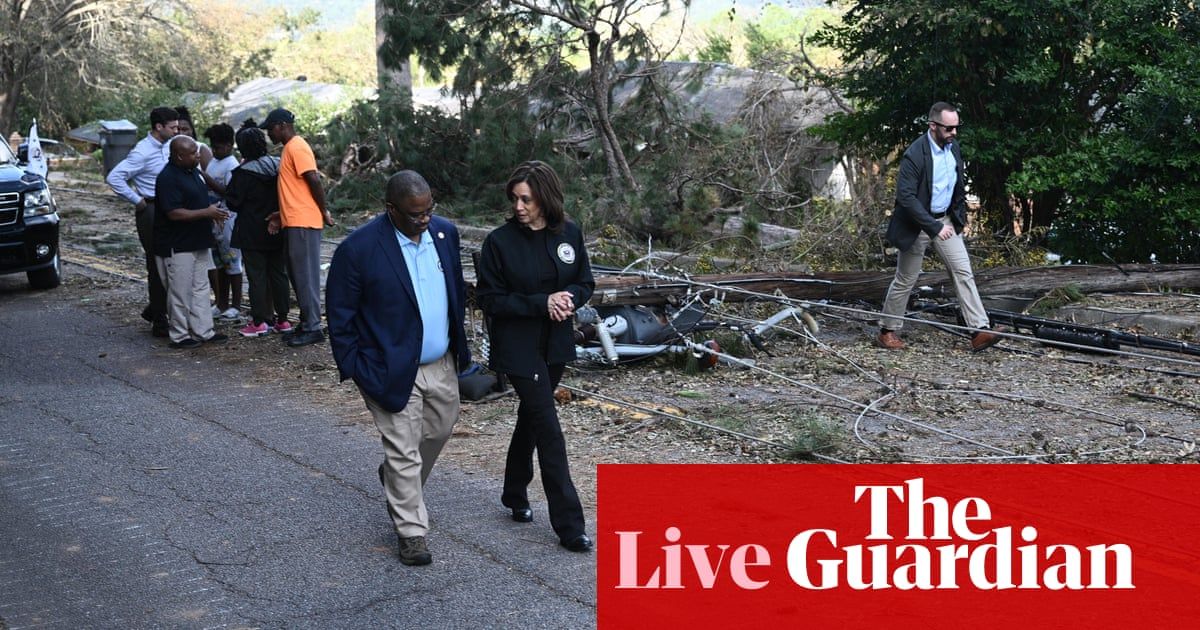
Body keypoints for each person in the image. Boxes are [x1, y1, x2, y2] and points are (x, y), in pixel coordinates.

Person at [326, 170, 470, 566]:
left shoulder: (445, 234)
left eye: (428, 211)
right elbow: (340, 316)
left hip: (440, 362)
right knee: (403, 449)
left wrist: (460, 349)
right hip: (387, 366)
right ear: (391, 209)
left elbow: (455, 290)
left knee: (439, 430)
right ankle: (412, 532)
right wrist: (355, 366)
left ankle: (394, 480)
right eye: (414, 214)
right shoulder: (359, 249)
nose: (424, 220)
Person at [475, 160, 595, 553]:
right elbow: (491, 300)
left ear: (545, 198)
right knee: (548, 428)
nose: (519, 206)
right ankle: (570, 524)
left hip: (556, 343)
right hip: (518, 346)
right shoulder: (500, 243)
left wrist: (568, 298)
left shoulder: (569, 234)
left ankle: (513, 493)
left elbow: (584, 282)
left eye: (526, 198)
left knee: (531, 417)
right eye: (515, 199)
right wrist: (541, 302)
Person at [878, 102, 1000, 352]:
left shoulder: (952, 147)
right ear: (933, 126)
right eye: (948, 128)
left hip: (945, 221)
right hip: (917, 223)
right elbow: (906, 197)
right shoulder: (915, 153)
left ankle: (978, 330)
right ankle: (887, 331)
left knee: (963, 271)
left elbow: (957, 186)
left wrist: (958, 219)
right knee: (906, 278)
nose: (954, 133)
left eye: (956, 127)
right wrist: (933, 226)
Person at [260, 108, 334, 347]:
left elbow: (313, 178)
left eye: (270, 128)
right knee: (297, 274)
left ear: (281, 125)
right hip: (294, 220)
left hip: (303, 222)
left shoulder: (297, 146)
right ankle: (306, 322)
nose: (269, 133)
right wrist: (281, 213)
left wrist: (323, 210)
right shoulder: (289, 148)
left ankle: (313, 327)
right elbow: (297, 190)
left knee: (305, 277)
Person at [105, 106, 179, 337]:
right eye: (173, 127)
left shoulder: (169, 146)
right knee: (156, 263)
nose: (177, 131)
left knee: (173, 261)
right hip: (152, 209)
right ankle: (159, 319)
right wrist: (136, 200)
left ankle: (157, 308)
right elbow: (114, 177)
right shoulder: (142, 151)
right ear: (159, 127)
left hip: (171, 208)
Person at [153, 136, 230, 349]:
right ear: (179, 155)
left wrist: (213, 214)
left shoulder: (194, 171)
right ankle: (179, 334)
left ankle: (203, 330)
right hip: (176, 245)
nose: (199, 155)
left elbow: (200, 200)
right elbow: (174, 213)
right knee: (180, 291)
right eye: (193, 153)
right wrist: (207, 212)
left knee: (200, 288)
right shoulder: (167, 178)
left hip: (198, 241)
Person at [228, 122, 292, 338]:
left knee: (257, 277)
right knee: (279, 274)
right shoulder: (278, 166)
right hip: (278, 228)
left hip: (251, 231)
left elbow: (233, 203)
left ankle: (260, 321)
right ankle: (283, 319)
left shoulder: (242, 173)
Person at [203, 122, 243, 321]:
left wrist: (205, 178)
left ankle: (236, 304)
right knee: (218, 263)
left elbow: (228, 191)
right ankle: (221, 302)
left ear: (228, 145)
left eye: (218, 147)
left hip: (228, 219)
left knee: (232, 262)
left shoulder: (231, 164)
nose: (214, 150)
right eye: (212, 147)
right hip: (214, 219)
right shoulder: (213, 162)